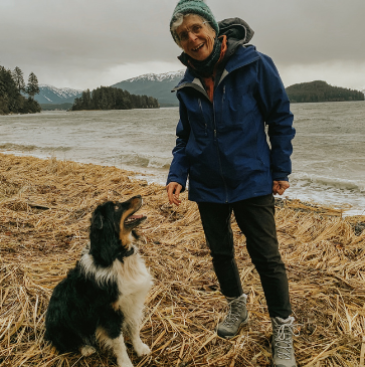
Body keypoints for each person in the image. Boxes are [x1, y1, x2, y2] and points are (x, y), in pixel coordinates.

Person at [166, 1, 297, 366]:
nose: (192, 39)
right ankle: (236, 308)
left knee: (267, 258)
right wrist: (177, 175)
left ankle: (283, 328)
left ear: (212, 27)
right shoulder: (187, 83)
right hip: (207, 185)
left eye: (196, 29)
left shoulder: (255, 64)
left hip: (252, 179)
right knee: (220, 253)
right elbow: (185, 138)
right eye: (182, 35)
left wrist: (279, 169)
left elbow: (280, 119)